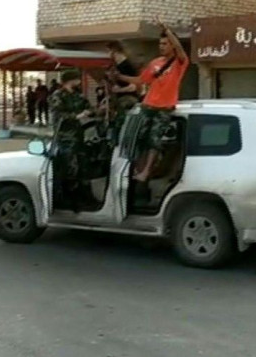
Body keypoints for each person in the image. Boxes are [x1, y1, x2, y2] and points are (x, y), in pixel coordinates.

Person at [114, 16, 189, 182]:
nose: (161, 47)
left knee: (154, 139)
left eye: (165, 44)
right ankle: (138, 169)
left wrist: (167, 30)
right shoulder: (155, 62)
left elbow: (180, 48)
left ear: (171, 45)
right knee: (138, 136)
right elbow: (141, 80)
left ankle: (146, 172)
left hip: (165, 106)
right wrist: (121, 77)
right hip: (148, 104)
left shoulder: (179, 62)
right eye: (160, 44)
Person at [49, 70, 96, 211]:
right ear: (70, 80)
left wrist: (93, 111)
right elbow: (58, 115)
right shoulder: (58, 95)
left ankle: (86, 198)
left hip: (78, 137)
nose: (79, 81)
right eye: (77, 78)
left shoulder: (77, 95)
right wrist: (77, 116)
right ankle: (70, 201)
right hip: (65, 138)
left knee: (83, 167)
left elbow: (88, 107)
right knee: (70, 169)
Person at [105, 41, 141, 141]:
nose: (108, 55)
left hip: (128, 98)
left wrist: (118, 90)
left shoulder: (127, 66)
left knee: (120, 121)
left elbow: (133, 87)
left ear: (114, 51)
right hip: (119, 99)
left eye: (108, 51)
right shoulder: (116, 66)